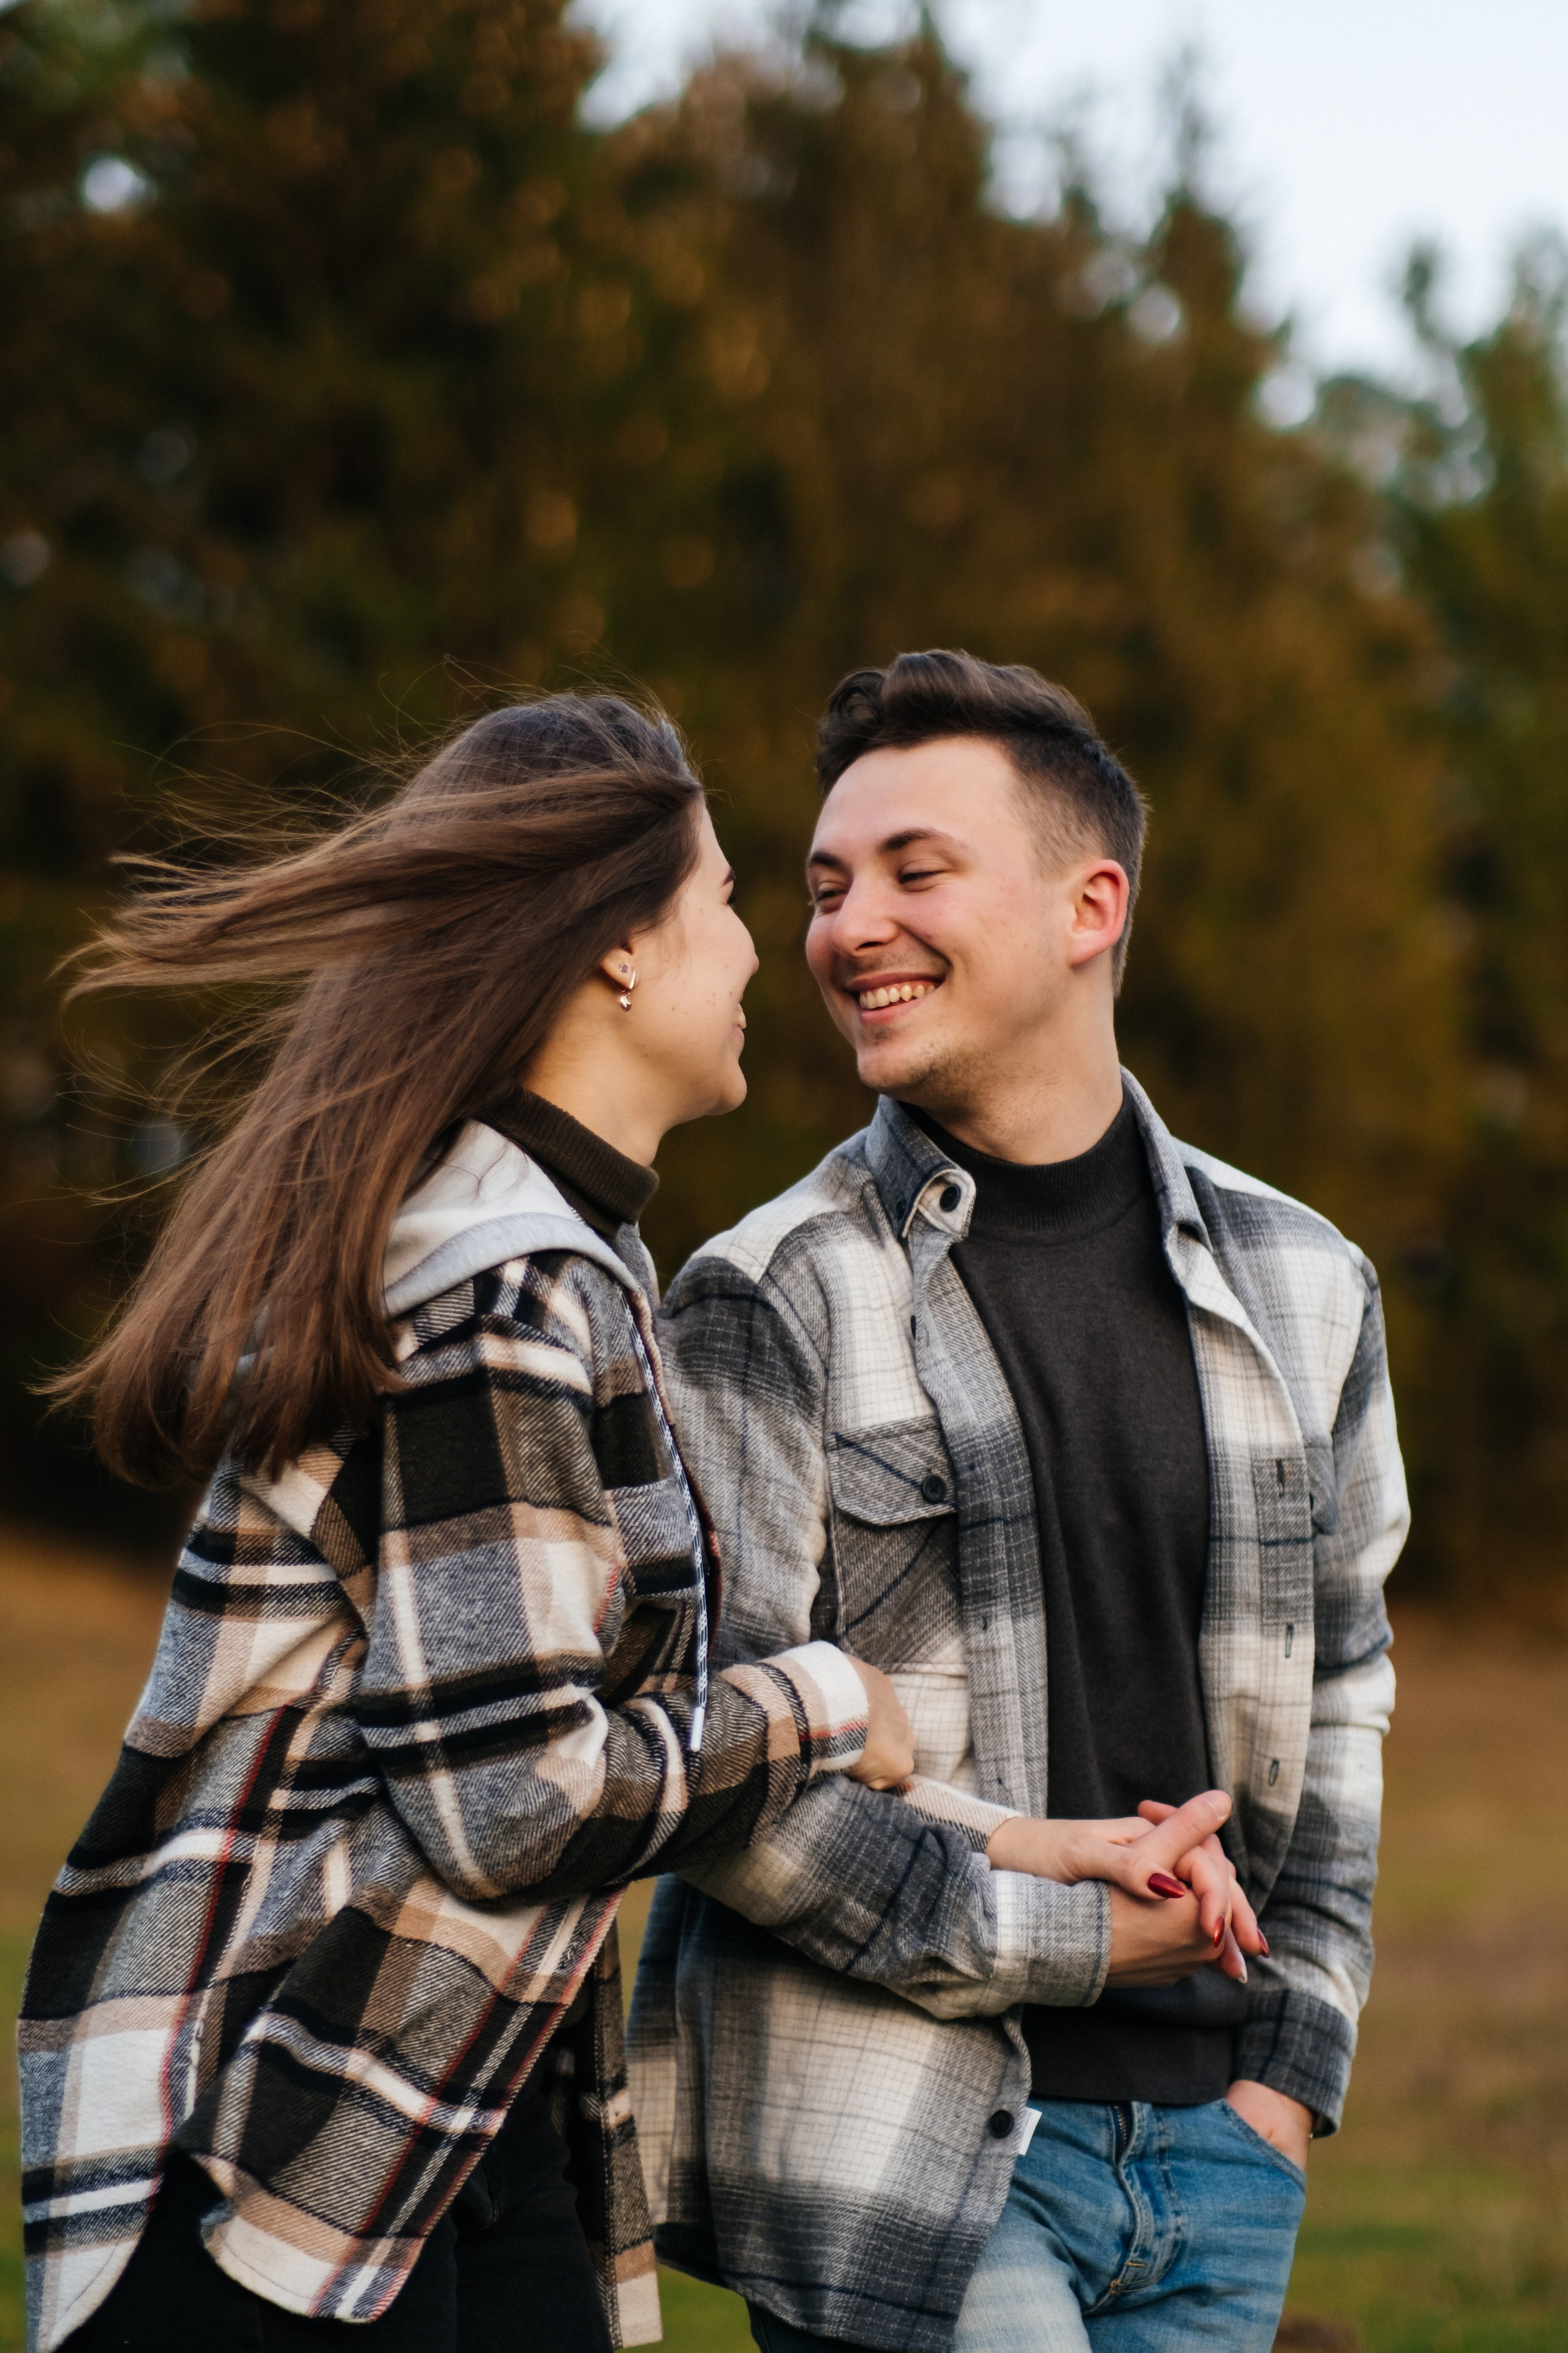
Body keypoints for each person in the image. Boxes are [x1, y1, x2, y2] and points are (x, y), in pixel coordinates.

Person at [18, 693, 931, 2353]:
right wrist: (821, 1704)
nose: (757, 949)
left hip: (449, 2124)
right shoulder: (495, 1282)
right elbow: (516, 1797)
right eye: (725, 897)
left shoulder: (564, 1261)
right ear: (620, 954)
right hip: (270, 2155)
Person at [628, 651, 1405, 2351]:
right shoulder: (765, 1295)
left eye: (917, 870)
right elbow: (721, 1765)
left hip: (1219, 2156)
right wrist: (1076, 1940)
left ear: (1089, 905)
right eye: (827, 887)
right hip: (907, 2145)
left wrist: (1289, 2069)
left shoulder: (1309, 1280)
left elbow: (1342, 1691)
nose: (848, 928)